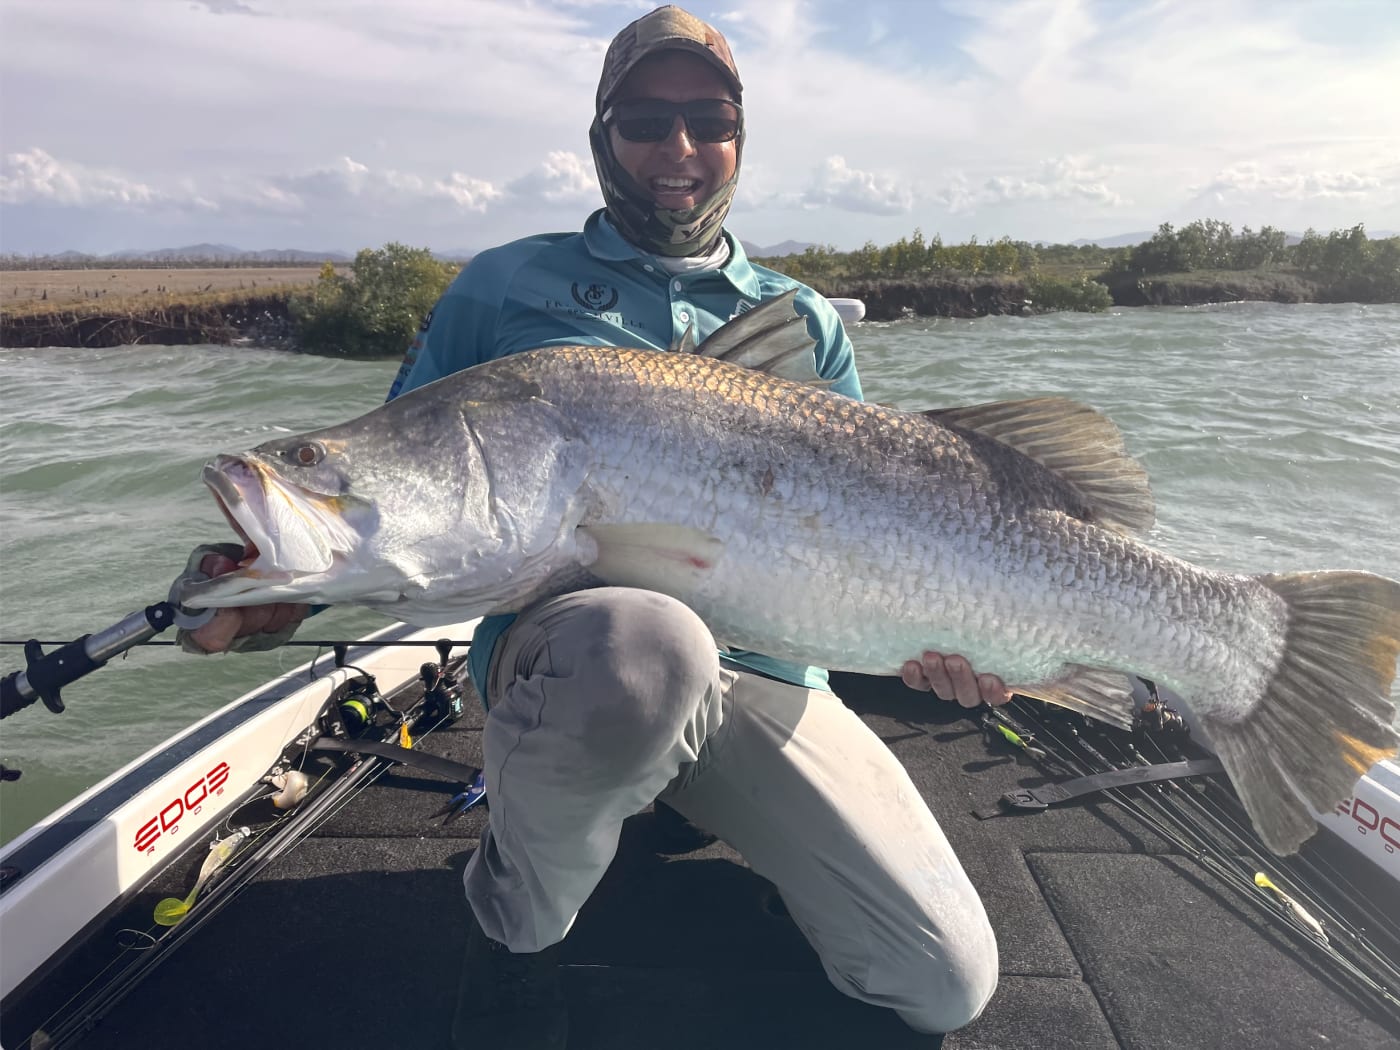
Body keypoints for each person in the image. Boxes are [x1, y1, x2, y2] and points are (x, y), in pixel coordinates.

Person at [177, 7, 1008, 1048]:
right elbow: (413, 471)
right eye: (644, 121)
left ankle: (685, 813)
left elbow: (872, 541)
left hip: (767, 676)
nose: (678, 149)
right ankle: (514, 926)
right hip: (572, 659)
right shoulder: (501, 288)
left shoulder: (804, 322)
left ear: (739, 139)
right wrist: (279, 594)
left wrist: (959, 643)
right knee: (644, 647)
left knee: (940, 983)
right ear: (600, 139)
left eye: (707, 120)